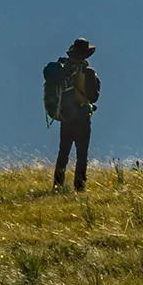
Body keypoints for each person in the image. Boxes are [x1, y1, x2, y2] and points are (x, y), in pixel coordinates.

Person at [46, 37, 101, 191]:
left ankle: (58, 185)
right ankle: (79, 187)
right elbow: (93, 97)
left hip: (66, 116)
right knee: (81, 154)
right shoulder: (88, 72)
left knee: (63, 152)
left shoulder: (64, 70)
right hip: (82, 117)